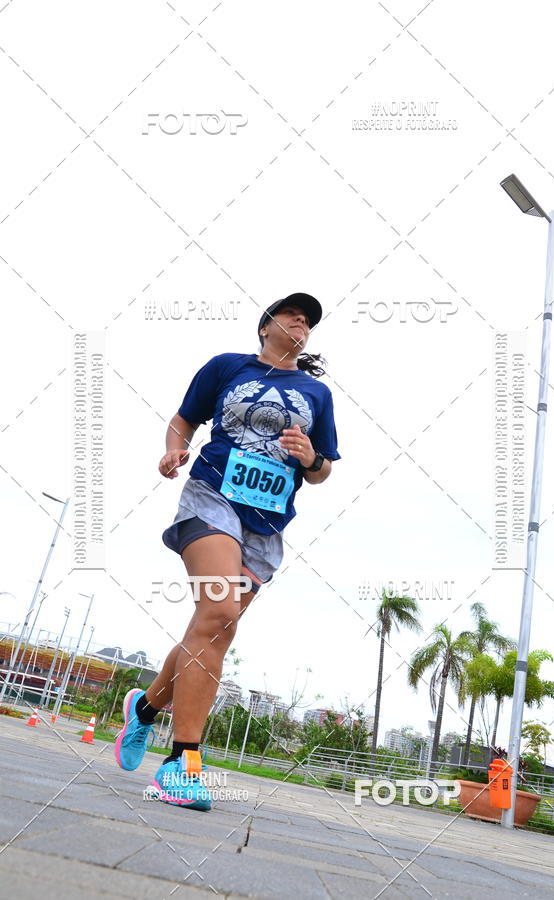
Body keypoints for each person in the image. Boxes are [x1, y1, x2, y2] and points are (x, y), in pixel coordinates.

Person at [114, 292, 341, 810]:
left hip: (266, 523)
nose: (302, 323)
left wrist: (311, 458)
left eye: (309, 321)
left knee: (215, 627)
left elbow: (324, 467)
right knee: (218, 611)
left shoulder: (316, 393)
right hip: (212, 496)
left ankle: (144, 710)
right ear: (267, 326)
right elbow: (182, 420)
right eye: (293, 315)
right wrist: (174, 448)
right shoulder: (226, 367)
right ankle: (181, 763)